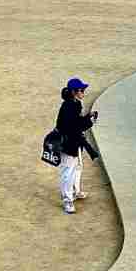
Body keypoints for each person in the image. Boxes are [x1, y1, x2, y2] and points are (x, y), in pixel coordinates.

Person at [55, 78, 99, 214]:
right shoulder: (68, 107)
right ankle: (68, 200)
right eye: (81, 90)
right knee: (67, 172)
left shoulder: (76, 103)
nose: (84, 93)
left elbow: (78, 122)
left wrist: (87, 118)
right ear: (74, 92)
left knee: (78, 167)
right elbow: (73, 127)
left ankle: (75, 191)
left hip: (76, 142)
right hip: (68, 144)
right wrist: (89, 122)